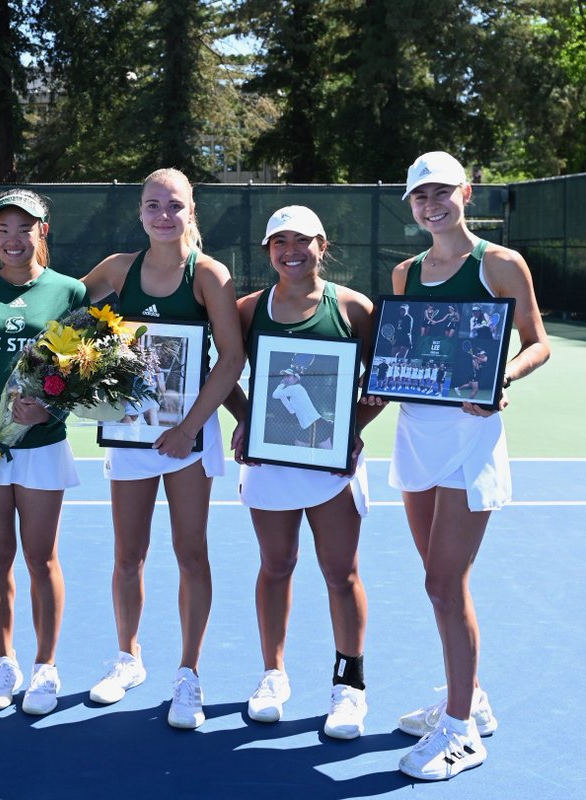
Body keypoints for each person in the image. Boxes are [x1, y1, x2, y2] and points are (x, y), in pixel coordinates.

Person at [387, 151, 549, 781]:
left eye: (441, 193)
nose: (431, 205)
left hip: (470, 438)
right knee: (435, 576)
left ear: (466, 192)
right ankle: (469, 698)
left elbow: (536, 343)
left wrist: (500, 376)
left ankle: (460, 733)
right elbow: (403, 351)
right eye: (420, 198)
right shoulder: (405, 274)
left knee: (444, 584)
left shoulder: (500, 264)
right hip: (416, 433)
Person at [78, 168, 244, 728]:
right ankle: (128, 658)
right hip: (129, 432)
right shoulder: (117, 270)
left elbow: (231, 359)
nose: (163, 215)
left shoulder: (208, 276)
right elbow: (57, 304)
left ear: (190, 210)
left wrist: (188, 427)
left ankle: (189, 675)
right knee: (129, 555)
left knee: (191, 554)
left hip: (187, 439)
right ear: (140, 212)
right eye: (153, 205)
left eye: (174, 205)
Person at [224, 205, 380, 741]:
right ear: (268, 250)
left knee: (342, 573)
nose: (291, 251)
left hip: (330, 467)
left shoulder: (354, 309)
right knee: (277, 566)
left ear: (322, 244)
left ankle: (349, 686)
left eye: (302, 241)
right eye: (278, 242)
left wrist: (354, 426)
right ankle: (273, 676)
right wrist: (246, 420)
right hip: (270, 464)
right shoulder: (247, 310)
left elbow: (382, 378)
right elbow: (220, 370)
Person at [0, 190, 87, 715]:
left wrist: (52, 414)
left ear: (42, 232)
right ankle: (4, 661)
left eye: (23, 228)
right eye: (3, 229)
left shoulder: (70, 292)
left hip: (42, 447)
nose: (12, 239)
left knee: (41, 557)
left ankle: (45, 667)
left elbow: (81, 374)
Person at [271, 366, 333, 449]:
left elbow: (274, 395)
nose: (285, 378)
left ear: (296, 378)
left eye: (288, 376)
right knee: (304, 447)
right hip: (311, 426)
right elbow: (291, 410)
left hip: (316, 424)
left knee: (323, 452)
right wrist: (282, 395)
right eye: (284, 376)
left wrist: (281, 384)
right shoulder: (294, 394)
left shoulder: (296, 388)